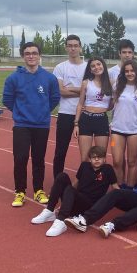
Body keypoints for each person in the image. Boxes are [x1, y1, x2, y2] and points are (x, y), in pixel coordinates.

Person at [2, 42, 60, 207]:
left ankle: (38, 190)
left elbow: (55, 98)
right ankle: (20, 191)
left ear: (39, 55)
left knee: (38, 158)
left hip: (41, 125)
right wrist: (20, 112)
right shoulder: (14, 78)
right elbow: (7, 99)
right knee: (20, 158)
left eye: (34, 53)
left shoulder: (49, 78)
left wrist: (43, 111)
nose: (31, 56)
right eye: (27, 53)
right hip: (22, 124)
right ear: (23, 56)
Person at [31, 146, 119, 237]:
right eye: (94, 157)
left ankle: (61, 220)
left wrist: (124, 198)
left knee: (70, 189)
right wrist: (67, 199)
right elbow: (75, 184)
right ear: (90, 159)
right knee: (62, 176)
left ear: (104, 159)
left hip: (89, 206)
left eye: (99, 157)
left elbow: (116, 189)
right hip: (77, 200)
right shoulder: (84, 166)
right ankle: (49, 210)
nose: (96, 159)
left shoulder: (108, 169)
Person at [52, 35, 87, 178]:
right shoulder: (60, 67)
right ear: (66, 47)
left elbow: (91, 90)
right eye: (70, 45)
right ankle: (58, 181)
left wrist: (71, 88)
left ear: (80, 47)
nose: (73, 48)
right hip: (66, 113)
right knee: (61, 150)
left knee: (86, 153)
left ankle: (85, 180)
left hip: (85, 113)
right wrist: (82, 91)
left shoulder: (88, 67)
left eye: (75, 45)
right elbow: (61, 91)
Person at [110, 59, 137, 189]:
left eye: (132, 71)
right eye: (127, 71)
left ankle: (130, 188)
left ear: (136, 72)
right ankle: (119, 186)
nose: (129, 73)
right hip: (117, 130)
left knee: (132, 161)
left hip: (135, 130)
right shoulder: (117, 85)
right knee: (117, 161)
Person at [73, 57, 113, 162]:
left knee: (101, 157)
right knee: (85, 158)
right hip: (86, 119)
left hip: (101, 120)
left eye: (98, 64)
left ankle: (100, 178)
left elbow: (111, 105)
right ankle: (84, 178)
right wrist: (76, 124)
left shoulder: (111, 83)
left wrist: (101, 109)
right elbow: (80, 103)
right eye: (93, 66)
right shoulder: (86, 82)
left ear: (103, 65)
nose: (96, 67)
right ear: (90, 69)